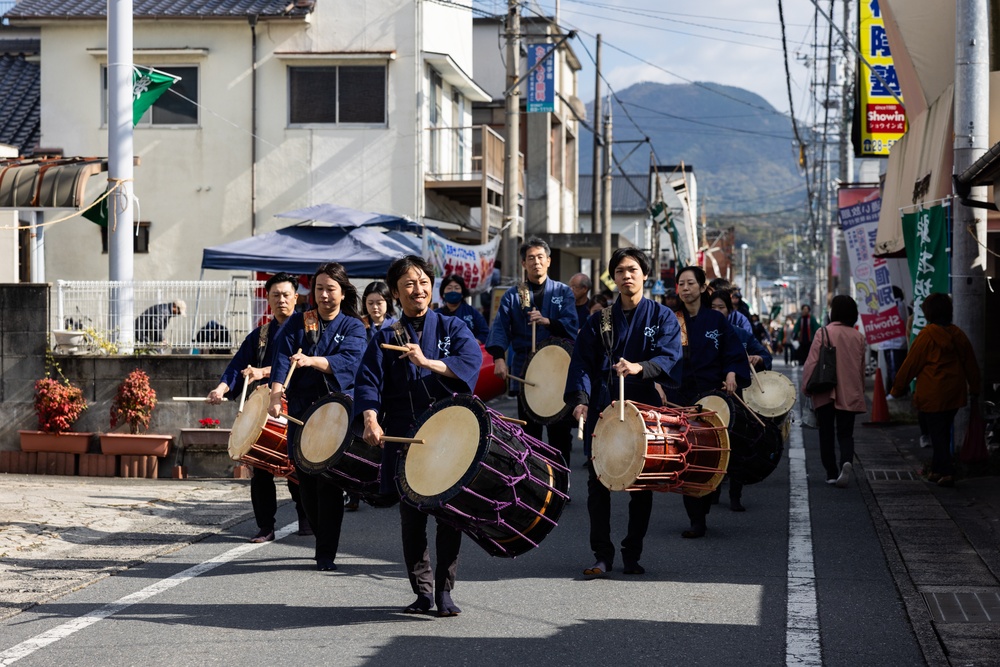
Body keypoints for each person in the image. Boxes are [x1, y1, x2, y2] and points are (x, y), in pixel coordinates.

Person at [355, 255, 481, 617]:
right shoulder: (384, 335)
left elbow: (469, 363)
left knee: (448, 515)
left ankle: (444, 591)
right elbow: (368, 382)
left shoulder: (451, 326)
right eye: (409, 284)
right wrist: (370, 419)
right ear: (396, 291)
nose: (418, 289)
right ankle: (422, 591)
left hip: (448, 434)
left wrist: (427, 362)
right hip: (404, 436)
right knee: (412, 519)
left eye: (424, 281)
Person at [566, 248, 683, 578]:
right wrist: (581, 398)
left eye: (632, 270)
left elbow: (670, 356)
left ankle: (633, 551)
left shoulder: (661, 317)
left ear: (646, 275)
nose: (626, 276)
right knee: (597, 482)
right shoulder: (599, 319)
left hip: (643, 409)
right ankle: (602, 553)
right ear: (613, 277)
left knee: (640, 484)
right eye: (619, 271)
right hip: (604, 407)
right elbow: (582, 364)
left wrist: (639, 367)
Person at [268, 263, 367, 571]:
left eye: (331, 289)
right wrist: (274, 394)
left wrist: (312, 360)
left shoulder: (353, 326)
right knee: (305, 483)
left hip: (335, 415)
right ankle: (320, 532)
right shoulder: (300, 322)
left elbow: (350, 361)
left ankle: (326, 552)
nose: (324, 295)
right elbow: (281, 357)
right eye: (320, 288)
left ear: (343, 291)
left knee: (328, 484)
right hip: (300, 412)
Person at [207, 273, 308, 542]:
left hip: (300, 409)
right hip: (268, 414)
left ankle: (307, 518)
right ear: (268, 299)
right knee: (260, 470)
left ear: (296, 298)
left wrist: (264, 371)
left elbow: (302, 364)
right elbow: (236, 366)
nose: (281, 300)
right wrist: (221, 388)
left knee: (298, 469)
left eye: (287, 295)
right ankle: (266, 526)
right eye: (276, 295)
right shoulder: (261, 335)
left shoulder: (308, 330)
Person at [668, 266, 749, 538]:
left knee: (710, 454)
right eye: (682, 283)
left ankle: (706, 502)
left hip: (712, 395)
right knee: (687, 456)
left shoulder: (716, 320)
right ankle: (696, 518)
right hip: (680, 397)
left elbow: (733, 351)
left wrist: (731, 372)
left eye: (691, 283)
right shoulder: (671, 319)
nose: (686, 288)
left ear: (703, 287)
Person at [487, 237, 578, 466]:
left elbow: (571, 324)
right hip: (525, 367)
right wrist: (499, 357)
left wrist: (548, 321)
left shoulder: (563, 291)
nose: (536, 262)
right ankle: (534, 484)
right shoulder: (513, 295)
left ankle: (561, 481)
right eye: (530, 258)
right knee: (529, 432)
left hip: (557, 369)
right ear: (523, 264)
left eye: (540, 257)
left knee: (559, 432)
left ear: (548, 261)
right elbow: (500, 327)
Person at [890, 293, 981, 487]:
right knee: (942, 431)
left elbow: (910, 365)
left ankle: (947, 472)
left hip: (933, 393)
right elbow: (971, 364)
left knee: (937, 434)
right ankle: (937, 470)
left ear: (929, 313)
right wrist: (975, 388)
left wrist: (897, 389)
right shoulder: (958, 334)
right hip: (954, 393)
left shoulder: (927, 335)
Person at [709, 288, 772, 512]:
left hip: (739, 399)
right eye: (713, 307)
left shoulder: (741, 334)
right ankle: (712, 490)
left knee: (737, 445)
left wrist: (758, 358)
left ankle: (736, 493)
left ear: (730, 309)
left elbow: (766, 356)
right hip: (713, 397)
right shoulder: (702, 334)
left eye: (721, 307)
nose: (717, 311)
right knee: (713, 445)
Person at [801, 295, 866, 487]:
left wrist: (806, 387)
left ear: (833, 312)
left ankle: (831, 473)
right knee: (846, 433)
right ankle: (846, 460)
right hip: (850, 391)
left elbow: (812, 363)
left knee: (826, 434)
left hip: (825, 390)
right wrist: (859, 390)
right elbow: (861, 369)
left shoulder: (824, 332)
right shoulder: (858, 337)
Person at [435, 274, 489, 343]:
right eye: (449, 288)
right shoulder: (436, 314)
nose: (453, 291)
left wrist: (472, 343)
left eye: (457, 288)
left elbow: (485, 333)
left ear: (462, 292)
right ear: (443, 293)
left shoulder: (472, 312)